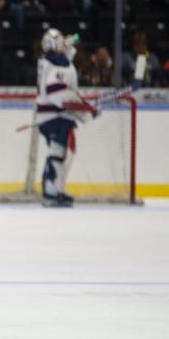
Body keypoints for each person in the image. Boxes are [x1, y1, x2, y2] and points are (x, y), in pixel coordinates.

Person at [36, 28, 98, 207]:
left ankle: (55, 188)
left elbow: (66, 57)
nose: (65, 45)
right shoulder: (56, 63)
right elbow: (58, 92)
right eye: (60, 42)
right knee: (60, 151)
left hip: (51, 115)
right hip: (55, 116)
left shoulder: (50, 61)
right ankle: (51, 190)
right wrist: (84, 109)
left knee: (63, 151)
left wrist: (68, 43)